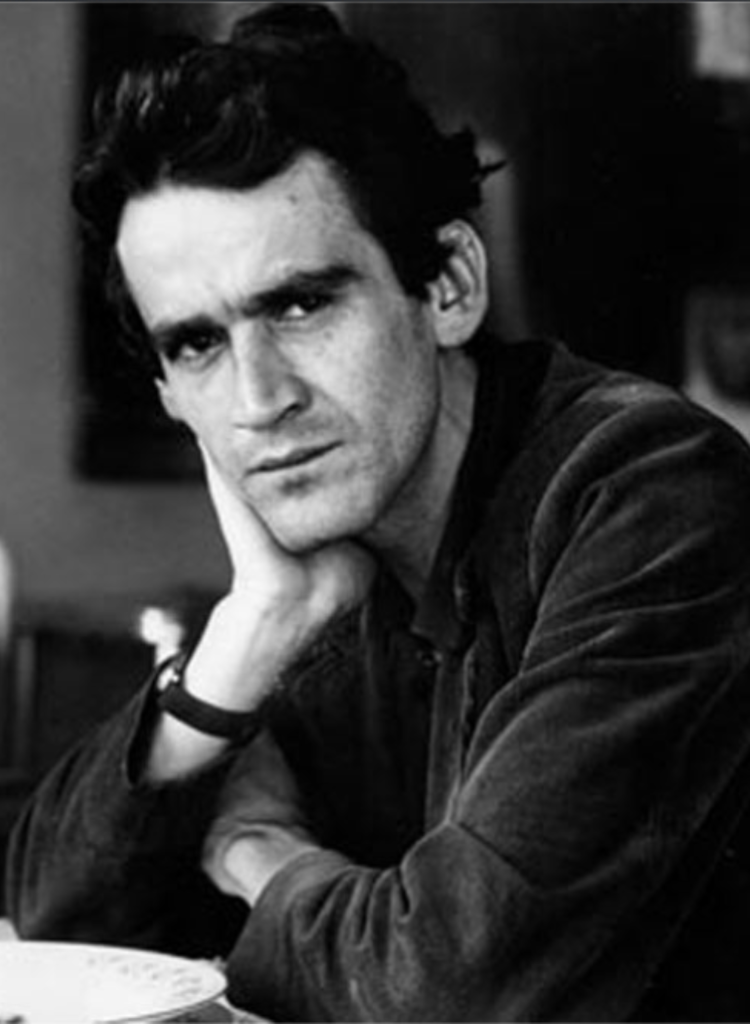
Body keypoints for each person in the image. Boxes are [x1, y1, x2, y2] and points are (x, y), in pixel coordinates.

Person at [7, 4, 750, 1020]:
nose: (260, 398)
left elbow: (449, 991)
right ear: (169, 393)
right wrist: (251, 631)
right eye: (198, 344)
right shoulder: (328, 565)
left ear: (449, 287)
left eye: (300, 304)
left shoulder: (652, 492)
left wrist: (261, 855)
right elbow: (47, 935)